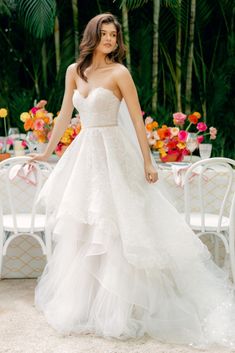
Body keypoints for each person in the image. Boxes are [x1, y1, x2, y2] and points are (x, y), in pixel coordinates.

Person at [32, 13, 235, 348]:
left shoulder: (120, 73)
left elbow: (137, 121)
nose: (111, 40)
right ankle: (85, 306)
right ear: (92, 36)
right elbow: (65, 114)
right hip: (86, 155)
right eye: (105, 34)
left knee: (118, 226)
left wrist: (147, 161)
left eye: (114, 35)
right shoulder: (74, 71)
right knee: (86, 228)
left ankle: (123, 309)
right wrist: (46, 151)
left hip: (115, 153)